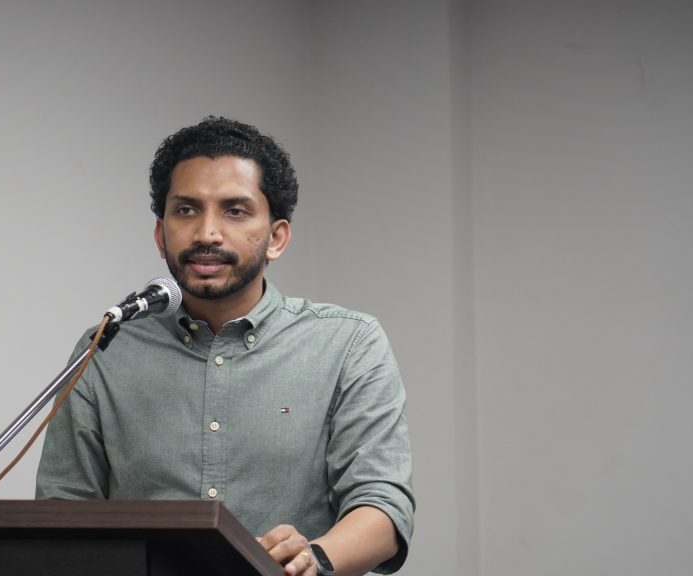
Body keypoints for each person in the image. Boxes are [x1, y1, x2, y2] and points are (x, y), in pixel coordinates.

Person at [36, 117, 414, 575]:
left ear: (276, 237)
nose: (206, 234)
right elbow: (63, 512)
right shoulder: (106, 349)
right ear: (160, 234)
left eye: (235, 211)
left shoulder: (347, 344)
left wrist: (311, 560)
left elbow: (382, 505)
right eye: (186, 210)